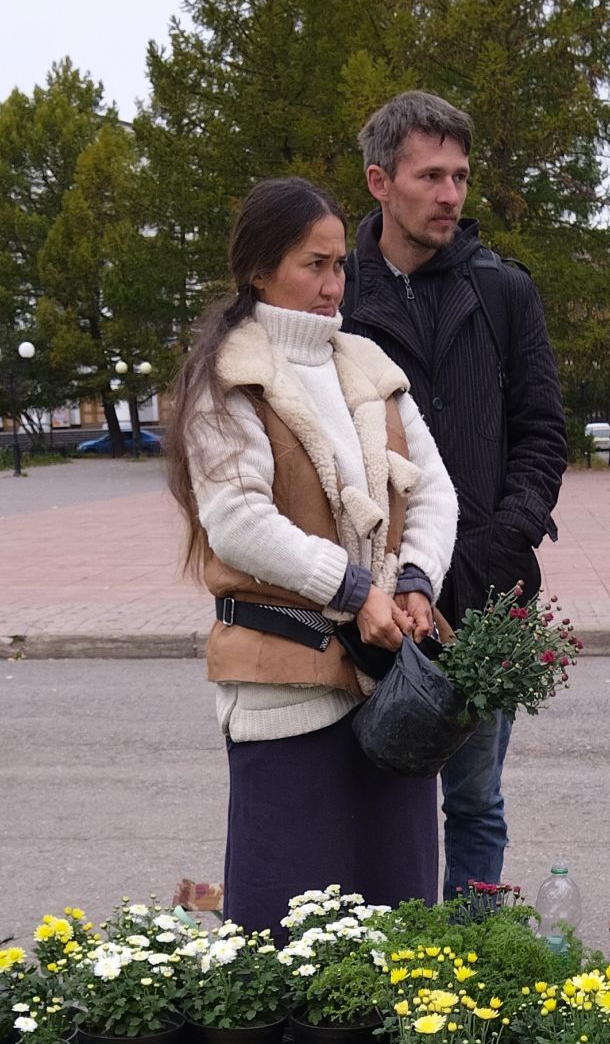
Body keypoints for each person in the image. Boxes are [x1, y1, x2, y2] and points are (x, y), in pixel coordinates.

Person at [168, 177, 459, 934]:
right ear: (261, 269)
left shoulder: (367, 365)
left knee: (396, 915)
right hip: (283, 684)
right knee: (286, 924)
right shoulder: (228, 374)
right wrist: (356, 587)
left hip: (385, 681)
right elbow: (237, 520)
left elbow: (434, 493)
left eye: (340, 267)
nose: (334, 286)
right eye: (314, 264)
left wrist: (418, 583)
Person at [342, 90, 568, 899]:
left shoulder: (502, 291)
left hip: (481, 590)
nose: (449, 195)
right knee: (373, 795)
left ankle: (464, 967)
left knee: (474, 799)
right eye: (429, 175)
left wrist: (492, 549)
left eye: (460, 176)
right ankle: (385, 968)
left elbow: (543, 433)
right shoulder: (337, 297)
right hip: (360, 599)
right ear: (379, 181)